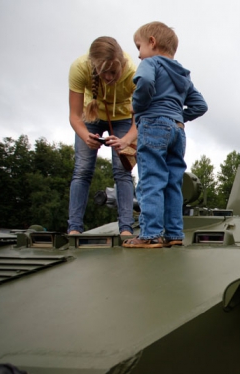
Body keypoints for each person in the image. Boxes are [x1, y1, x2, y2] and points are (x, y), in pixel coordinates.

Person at [122, 22, 208, 248]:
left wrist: (138, 106)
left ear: (152, 42)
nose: (138, 54)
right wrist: (178, 117)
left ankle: (150, 235)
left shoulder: (150, 63)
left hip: (153, 126)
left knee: (151, 180)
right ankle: (174, 234)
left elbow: (145, 82)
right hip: (178, 131)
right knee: (173, 183)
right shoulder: (182, 75)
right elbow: (200, 106)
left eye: (139, 47)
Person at [67, 36, 138, 236]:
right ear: (93, 65)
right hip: (90, 115)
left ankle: (126, 229)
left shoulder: (134, 74)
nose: (108, 77)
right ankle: (74, 228)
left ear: (121, 64)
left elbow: (139, 121)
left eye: (113, 72)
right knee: (82, 169)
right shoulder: (79, 68)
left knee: (122, 171)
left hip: (123, 118)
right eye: (103, 71)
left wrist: (125, 140)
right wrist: (85, 136)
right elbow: (74, 116)